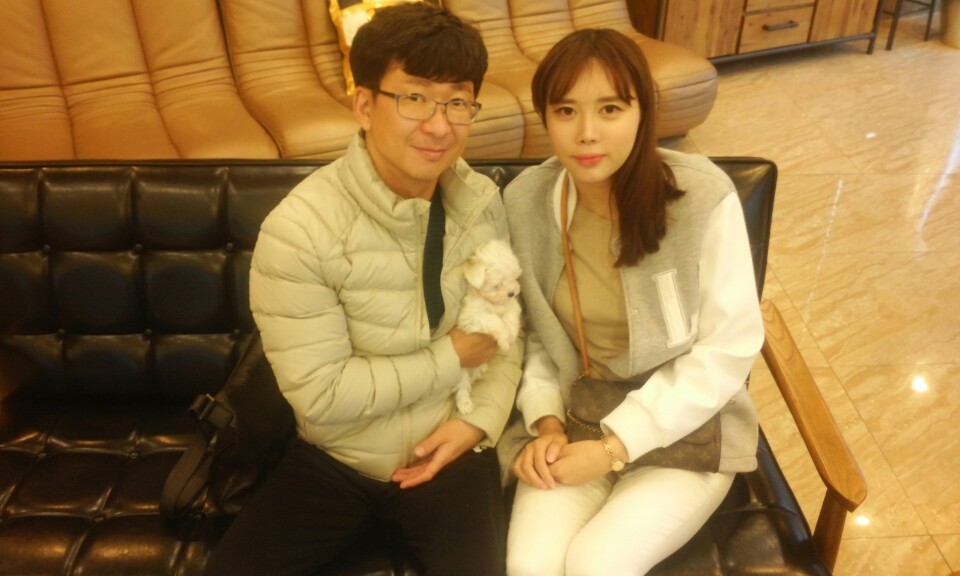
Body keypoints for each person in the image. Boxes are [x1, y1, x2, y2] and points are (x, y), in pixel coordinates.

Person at [205, 4, 522, 575]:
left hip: (450, 450)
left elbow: (503, 334)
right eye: (414, 97)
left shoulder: (479, 202)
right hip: (336, 458)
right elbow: (324, 396)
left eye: (457, 101)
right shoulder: (299, 230)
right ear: (365, 105)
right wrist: (452, 356)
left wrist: (478, 424)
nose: (439, 125)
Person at [496, 29, 765, 575]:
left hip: (684, 430)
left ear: (644, 112)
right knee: (530, 567)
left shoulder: (700, 196)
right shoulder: (526, 201)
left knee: (598, 564)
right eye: (565, 110)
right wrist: (545, 424)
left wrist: (616, 446)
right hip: (577, 420)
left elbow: (727, 349)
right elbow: (537, 334)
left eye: (611, 108)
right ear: (545, 117)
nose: (587, 132)